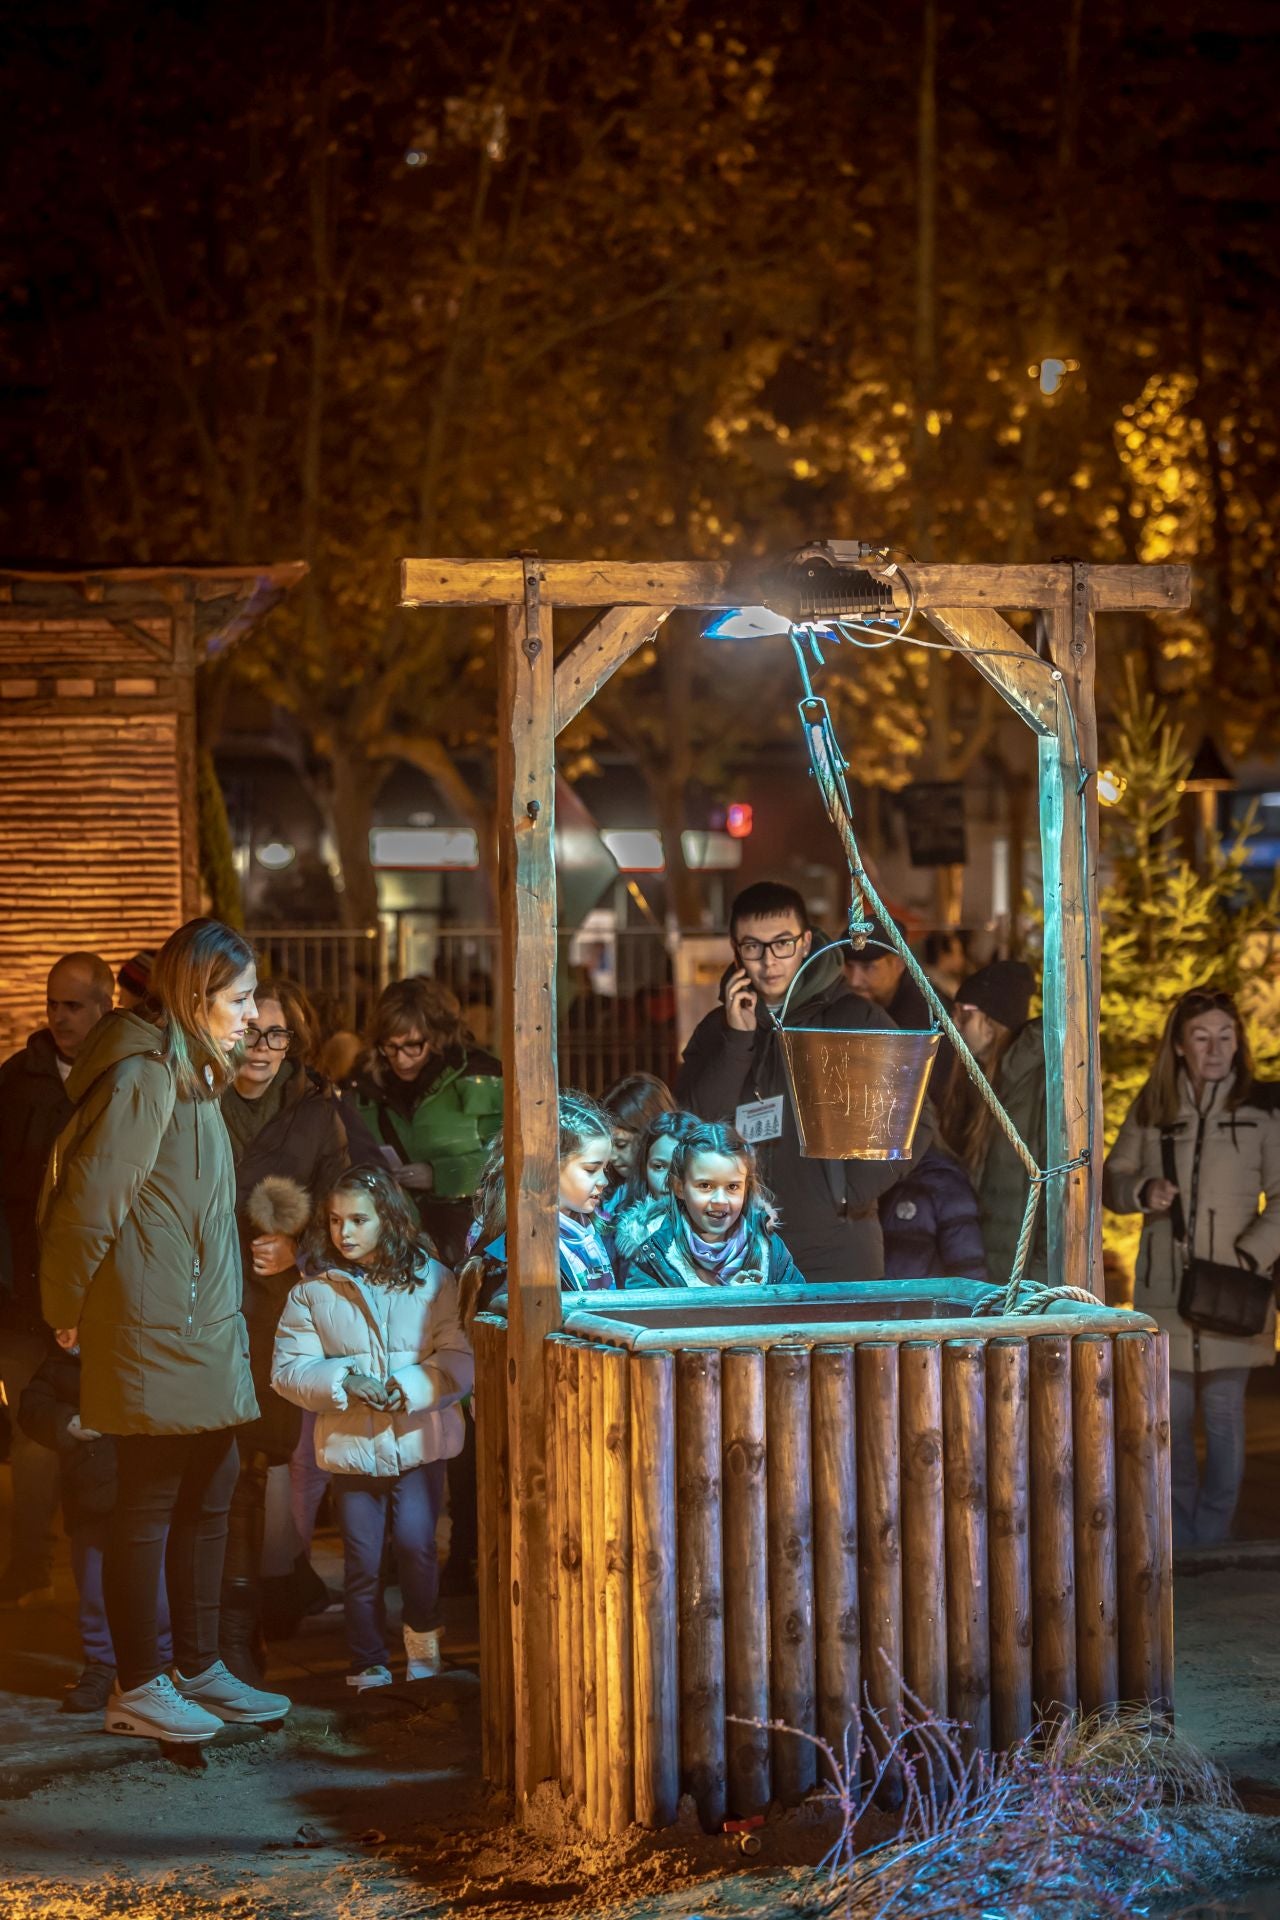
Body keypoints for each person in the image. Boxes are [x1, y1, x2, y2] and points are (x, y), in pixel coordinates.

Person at [38, 918, 291, 1745]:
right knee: (145, 1501)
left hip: (199, 1323)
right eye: (240, 998)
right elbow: (89, 1204)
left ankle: (197, 1663)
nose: (252, 1015)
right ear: (196, 996)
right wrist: (65, 1308)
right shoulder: (146, 1077)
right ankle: (138, 1683)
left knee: (211, 1488)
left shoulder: (192, 1076)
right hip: (154, 1324)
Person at [219, 978, 379, 1680]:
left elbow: (351, 1201)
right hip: (201, 1301)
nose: (262, 1047)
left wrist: (299, 1248)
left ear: (295, 1041)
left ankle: (241, 1630)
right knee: (208, 1471)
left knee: (259, 1467)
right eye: (252, 1031)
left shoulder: (317, 1114)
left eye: (277, 1034)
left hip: (274, 1309)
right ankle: (211, 1632)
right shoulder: (197, 1097)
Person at [271, 1164, 474, 1691]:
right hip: (351, 1445)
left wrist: (409, 1385)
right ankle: (367, 1661)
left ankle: (423, 1647)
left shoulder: (433, 1280)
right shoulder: (314, 1291)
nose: (346, 1233)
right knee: (361, 1560)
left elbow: (457, 1356)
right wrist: (344, 1379)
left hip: (417, 1441)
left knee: (416, 1546)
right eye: (336, 1221)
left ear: (387, 1217)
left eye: (359, 1220)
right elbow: (289, 1369)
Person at [676, 881, 926, 1284]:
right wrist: (738, 1041)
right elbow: (692, 1124)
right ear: (736, 949)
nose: (768, 961)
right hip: (737, 1241)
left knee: (845, 1347)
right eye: (753, 946)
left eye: (782, 944)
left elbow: (917, 1117)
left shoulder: (853, 1020)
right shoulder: (717, 1031)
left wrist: (849, 1194)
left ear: (806, 942)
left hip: (837, 1244)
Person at [1103, 988, 1280, 1549]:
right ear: (1179, 1045)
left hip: (1236, 1291)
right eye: (1201, 1037)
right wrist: (1139, 1190)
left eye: (1226, 1036)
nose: (1215, 1048)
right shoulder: (1153, 1108)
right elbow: (1112, 1178)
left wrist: (1250, 1255)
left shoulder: (1260, 1112)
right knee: (1170, 1424)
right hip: (1165, 1288)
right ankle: (1180, 1540)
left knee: (1226, 1419)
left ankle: (1213, 1536)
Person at [0, 950, 115, 1608]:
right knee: (34, 1434)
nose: (60, 1017)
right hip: (25, 1293)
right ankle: (33, 1563)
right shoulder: (18, 1083)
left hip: (102, 1294)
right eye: (53, 1004)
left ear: (104, 1006)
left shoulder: (124, 1078)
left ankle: (93, 1576)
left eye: (74, 1004)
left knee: (100, 1434)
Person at [18, 1330, 173, 1713]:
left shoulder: (153, 1337)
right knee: (94, 1583)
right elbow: (33, 1405)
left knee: (158, 1586)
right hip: (91, 1487)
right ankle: (102, 1664)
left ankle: (164, 1663)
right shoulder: (68, 1357)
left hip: (152, 1484)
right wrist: (67, 1422)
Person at [348, 977, 503, 1267]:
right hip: (393, 1234)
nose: (401, 1059)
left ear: (437, 1037)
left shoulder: (480, 1077)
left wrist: (439, 1174)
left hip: (470, 1235)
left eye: (412, 1046)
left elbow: (509, 1156)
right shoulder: (364, 1085)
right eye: (390, 1048)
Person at [461, 1092, 617, 1315]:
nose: (603, 1181)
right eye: (591, 1170)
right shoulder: (514, 1254)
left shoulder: (600, 1235)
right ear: (548, 1168)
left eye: (605, 1169)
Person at [943, 960, 1046, 1287]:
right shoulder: (977, 1080)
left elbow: (1054, 1181)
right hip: (989, 1273)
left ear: (993, 1020)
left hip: (1025, 1279)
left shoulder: (1034, 1083)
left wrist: (1042, 1279)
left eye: (964, 1012)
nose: (954, 1021)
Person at [621, 1120, 804, 1288]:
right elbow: (648, 1321)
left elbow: (798, 1313)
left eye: (732, 1186)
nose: (719, 1201)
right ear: (679, 1187)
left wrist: (756, 1302)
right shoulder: (654, 1256)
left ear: (745, 1188)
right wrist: (731, 1304)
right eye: (705, 1186)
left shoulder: (770, 1248)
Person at [842, 918, 957, 1104]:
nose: (854, 980)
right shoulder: (850, 1003)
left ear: (898, 965)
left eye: (868, 967)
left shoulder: (925, 1020)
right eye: (849, 966)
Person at [879, 1143, 987, 1283]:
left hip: (923, 1301)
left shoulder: (944, 1183)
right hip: (875, 1299)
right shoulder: (872, 1180)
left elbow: (968, 1269)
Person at [611, 1109, 702, 1265]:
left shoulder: (732, 1231)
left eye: (680, 1169)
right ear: (644, 1168)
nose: (668, 1181)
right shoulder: (626, 1234)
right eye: (659, 1166)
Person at [923, 929, 968, 1000]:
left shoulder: (949, 982)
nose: (962, 958)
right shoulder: (932, 982)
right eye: (959, 952)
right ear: (943, 955)